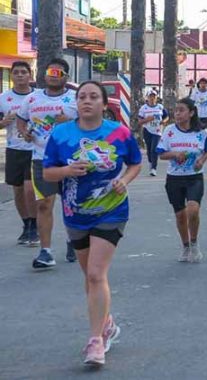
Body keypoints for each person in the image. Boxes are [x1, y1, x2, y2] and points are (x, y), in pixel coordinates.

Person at [42, 81, 142, 366]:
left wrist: (124, 181)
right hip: (75, 213)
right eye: (82, 97)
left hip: (111, 211)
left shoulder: (118, 133)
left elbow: (135, 163)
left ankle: (96, 341)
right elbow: (47, 173)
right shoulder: (61, 134)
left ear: (104, 104)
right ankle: (106, 322)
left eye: (93, 97)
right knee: (89, 276)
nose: (87, 101)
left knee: (97, 274)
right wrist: (67, 170)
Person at [17, 58, 78, 269]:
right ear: (44, 75)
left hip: (69, 159)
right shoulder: (32, 98)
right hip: (41, 158)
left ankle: (73, 240)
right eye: (50, 72)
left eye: (58, 73)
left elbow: (89, 122)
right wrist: (24, 132)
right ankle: (46, 252)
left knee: (71, 204)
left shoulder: (74, 99)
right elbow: (21, 119)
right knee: (44, 204)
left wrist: (70, 122)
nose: (53, 76)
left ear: (66, 77)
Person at [157, 98, 207, 263]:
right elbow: (161, 154)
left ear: (191, 113)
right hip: (174, 178)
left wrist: (201, 161)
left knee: (193, 210)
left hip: (194, 177)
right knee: (180, 215)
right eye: (176, 111)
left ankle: (194, 242)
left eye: (181, 110)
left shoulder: (201, 132)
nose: (177, 114)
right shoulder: (169, 131)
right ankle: (185, 246)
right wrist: (175, 154)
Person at [0, 61, 38, 246]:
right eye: (16, 72)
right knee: (18, 190)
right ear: (12, 75)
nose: (20, 75)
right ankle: (26, 224)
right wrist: (3, 122)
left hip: (35, 149)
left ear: (30, 74)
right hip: (14, 149)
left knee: (30, 189)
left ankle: (35, 225)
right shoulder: (3, 98)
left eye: (24, 72)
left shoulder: (38, 96)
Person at [138, 90, 169, 176]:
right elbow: (140, 121)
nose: (152, 98)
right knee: (149, 150)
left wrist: (163, 121)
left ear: (156, 98)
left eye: (154, 96)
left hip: (157, 131)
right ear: (147, 98)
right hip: (147, 130)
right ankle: (151, 163)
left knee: (154, 149)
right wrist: (148, 119)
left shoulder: (160, 107)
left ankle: (154, 168)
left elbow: (166, 117)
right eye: (150, 96)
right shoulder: (143, 108)